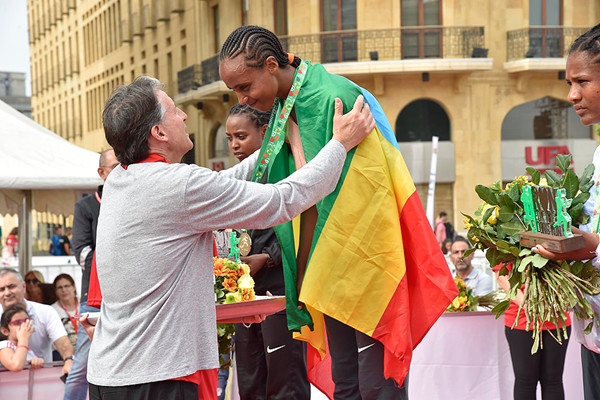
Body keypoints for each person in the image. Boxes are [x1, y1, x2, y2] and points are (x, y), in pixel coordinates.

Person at [86, 76, 374, 400]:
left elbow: (223, 182)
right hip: (157, 378)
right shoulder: (178, 185)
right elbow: (282, 201)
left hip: (111, 373)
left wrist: (276, 136)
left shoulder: (120, 178)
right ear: (159, 133)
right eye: (174, 111)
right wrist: (340, 144)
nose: (184, 116)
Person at [219, 25, 456, 399]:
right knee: (346, 382)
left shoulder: (334, 96)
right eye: (234, 90)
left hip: (364, 263)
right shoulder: (284, 107)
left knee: (377, 384)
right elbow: (291, 187)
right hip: (326, 264)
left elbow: (367, 193)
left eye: (245, 86)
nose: (242, 99)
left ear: (270, 65)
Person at [533, 23, 600, 400]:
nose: (572, 95)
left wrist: (591, 247)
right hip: (593, 332)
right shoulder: (598, 154)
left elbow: (594, 242)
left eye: (582, 81)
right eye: (569, 83)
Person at [226, 104, 311, 399]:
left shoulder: (285, 171)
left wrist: (268, 257)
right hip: (244, 293)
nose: (234, 145)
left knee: (284, 378)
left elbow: (299, 225)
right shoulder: (234, 181)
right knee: (250, 379)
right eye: (229, 138)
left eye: (241, 136)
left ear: (265, 132)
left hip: (279, 289)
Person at [64, 148, 119, 400]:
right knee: (82, 366)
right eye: (116, 167)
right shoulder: (86, 206)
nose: (122, 171)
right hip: (94, 297)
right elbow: (82, 254)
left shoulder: (134, 200)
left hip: (128, 296)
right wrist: (122, 256)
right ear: (101, 172)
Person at [493, 260, 571, 399]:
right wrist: (527, 305)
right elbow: (502, 277)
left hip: (555, 317)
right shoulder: (504, 246)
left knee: (553, 380)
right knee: (525, 381)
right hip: (522, 319)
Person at [0, 268, 73, 376]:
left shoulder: (45, 311)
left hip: (42, 379)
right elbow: (15, 365)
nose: (7, 293)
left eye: (11, 286)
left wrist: (69, 360)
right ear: (4, 330)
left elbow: (62, 342)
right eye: (1, 289)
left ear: (23, 287)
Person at [0, 304, 44, 371]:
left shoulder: (26, 349)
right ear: (5, 331)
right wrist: (23, 339)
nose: (24, 325)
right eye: (18, 322)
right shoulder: (4, 345)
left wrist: (38, 361)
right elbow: (16, 366)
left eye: (27, 321)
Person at [51, 273, 79, 349]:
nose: (64, 290)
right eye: (60, 287)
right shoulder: (52, 310)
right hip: (62, 351)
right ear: (55, 291)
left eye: (66, 286)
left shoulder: (84, 305)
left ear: (74, 287)